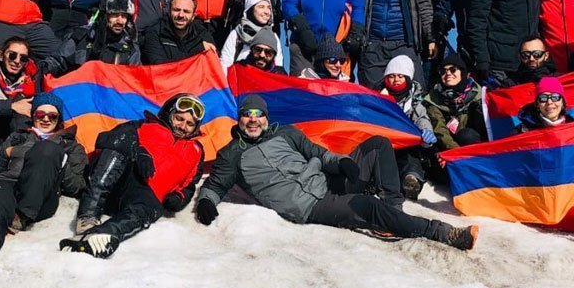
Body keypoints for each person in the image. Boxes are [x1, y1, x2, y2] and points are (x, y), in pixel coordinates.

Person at [194, 95, 477, 249]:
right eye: (247, 115)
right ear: (240, 118)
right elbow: (215, 185)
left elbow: (317, 153)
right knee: (368, 206)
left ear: (266, 117)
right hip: (310, 205)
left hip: (325, 180)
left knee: (378, 145)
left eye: (259, 115)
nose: (253, 121)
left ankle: (394, 213)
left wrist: (341, 162)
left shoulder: (284, 133)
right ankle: (444, 233)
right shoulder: (232, 154)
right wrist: (206, 201)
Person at [60, 94, 206, 258]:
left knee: (153, 208)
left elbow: (190, 184)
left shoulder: (197, 150)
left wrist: (179, 198)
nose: (183, 126)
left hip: (144, 197)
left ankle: (100, 235)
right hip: (120, 181)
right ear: (170, 114)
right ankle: (88, 215)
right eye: (179, 119)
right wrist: (138, 150)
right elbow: (107, 139)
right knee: (121, 141)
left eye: (190, 124)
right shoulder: (145, 125)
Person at [0, 92, 89, 263]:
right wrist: (6, 152)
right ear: (33, 115)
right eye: (40, 114)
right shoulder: (17, 136)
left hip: (41, 196)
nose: (46, 119)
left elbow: (77, 186)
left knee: (47, 149)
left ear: (59, 119)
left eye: (52, 116)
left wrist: (62, 163)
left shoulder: (71, 147)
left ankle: (21, 216)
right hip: (9, 182)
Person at [378, 54, 437, 198]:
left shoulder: (414, 101)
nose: (396, 80)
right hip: (382, 144)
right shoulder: (376, 97)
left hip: (405, 145)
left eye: (400, 76)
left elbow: (421, 117)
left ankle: (412, 179)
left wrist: (426, 131)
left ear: (408, 78)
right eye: (391, 76)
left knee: (409, 155)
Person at [0, 36, 44, 144]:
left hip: (20, 137)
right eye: (12, 55)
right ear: (1, 56)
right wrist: (11, 106)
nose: (17, 61)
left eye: (23, 58)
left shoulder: (33, 78)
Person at [421, 53, 486, 155]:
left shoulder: (480, 96)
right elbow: (440, 130)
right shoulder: (433, 99)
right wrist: (457, 153)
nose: (448, 73)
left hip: (479, 144)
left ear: (462, 73)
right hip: (450, 148)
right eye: (443, 71)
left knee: (468, 135)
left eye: (453, 70)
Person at [141, 0, 217, 65]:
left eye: (186, 11)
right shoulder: (155, 32)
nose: (181, 15)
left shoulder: (202, 34)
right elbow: (159, 65)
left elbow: (212, 64)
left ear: (193, 16)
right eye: (176, 10)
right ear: (169, 12)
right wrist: (196, 51)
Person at [65, 0, 142, 67]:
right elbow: (61, 61)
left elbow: (133, 74)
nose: (120, 21)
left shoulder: (131, 48)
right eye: (115, 15)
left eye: (124, 16)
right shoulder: (83, 36)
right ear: (106, 17)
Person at [221, 0, 285, 71]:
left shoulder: (273, 37)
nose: (267, 12)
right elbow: (225, 64)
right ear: (250, 9)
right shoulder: (237, 34)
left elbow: (277, 65)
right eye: (261, 7)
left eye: (269, 7)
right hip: (239, 77)